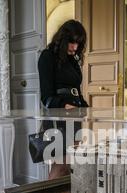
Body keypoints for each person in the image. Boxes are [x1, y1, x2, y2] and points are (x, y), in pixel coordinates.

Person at [38, 20, 89, 180]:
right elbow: (46, 97)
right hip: (58, 117)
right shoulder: (47, 56)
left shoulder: (73, 60)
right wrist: (65, 105)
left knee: (70, 164)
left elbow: (76, 90)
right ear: (63, 39)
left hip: (74, 116)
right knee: (60, 166)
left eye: (78, 43)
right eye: (72, 42)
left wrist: (85, 107)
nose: (75, 47)